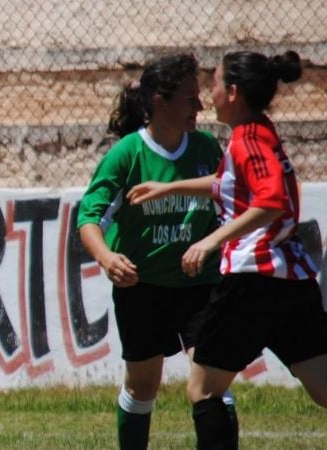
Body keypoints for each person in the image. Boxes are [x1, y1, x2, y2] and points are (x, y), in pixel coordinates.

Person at [127, 50, 327, 449]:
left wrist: (211, 240)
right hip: (292, 279)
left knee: (203, 388)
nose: (207, 95)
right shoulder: (258, 131)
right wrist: (169, 188)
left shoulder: (248, 139)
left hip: (253, 281)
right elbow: (230, 185)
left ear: (233, 92)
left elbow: (270, 202)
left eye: (214, 84)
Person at [76, 53, 237, 450]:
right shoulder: (128, 155)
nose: (199, 106)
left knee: (211, 380)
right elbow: (88, 217)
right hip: (142, 287)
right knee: (143, 385)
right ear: (160, 102)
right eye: (188, 98)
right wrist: (107, 258)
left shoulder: (204, 150)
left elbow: (232, 203)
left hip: (199, 283)